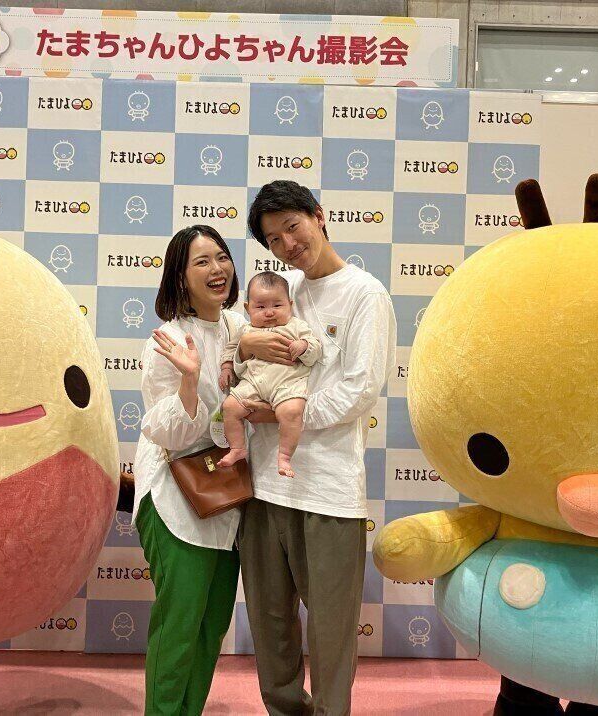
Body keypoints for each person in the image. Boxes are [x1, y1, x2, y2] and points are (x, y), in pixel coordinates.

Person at [238, 180, 397, 715]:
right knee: (270, 624)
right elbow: (230, 343)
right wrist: (244, 343)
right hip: (264, 485)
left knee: (331, 630)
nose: (287, 244)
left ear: (319, 216)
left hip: (328, 490)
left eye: (292, 227)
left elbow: (359, 389)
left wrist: (283, 416)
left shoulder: (365, 294)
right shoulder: (278, 291)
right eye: (273, 239)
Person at [132, 225, 245, 716]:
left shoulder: (239, 328)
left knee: (211, 626)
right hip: (176, 500)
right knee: (178, 627)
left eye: (221, 257)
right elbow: (167, 433)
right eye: (202, 261)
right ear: (180, 276)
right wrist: (190, 380)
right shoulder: (168, 339)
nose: (217, 269)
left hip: (228, 499)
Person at [216, 271, 322, 477]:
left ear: (290, 305)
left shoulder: (297, 326)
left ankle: (285, 455)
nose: (270, 312)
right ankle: (237, 448)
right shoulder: (245, 331)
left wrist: (303, 345)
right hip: (253, 382)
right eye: (260, 307)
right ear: (247, 308)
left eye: (277, 305)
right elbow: (231, 349)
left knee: (291, 412)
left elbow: (315, 347)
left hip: (287, 384)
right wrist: (227, 367)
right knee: (230, 407)